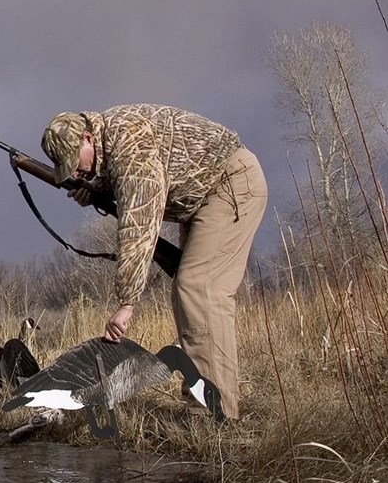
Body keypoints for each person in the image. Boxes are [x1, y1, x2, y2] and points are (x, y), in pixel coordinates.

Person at [40, 104, 267, 421]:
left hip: (228, 186)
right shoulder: (112, 139)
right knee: (191, 294)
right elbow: (128, 178)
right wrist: (96, 188)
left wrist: (127, 304)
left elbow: (138, 226)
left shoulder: (130, 144)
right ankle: (204, 402)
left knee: (199, 290)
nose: (76, 174)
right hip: (203, 198)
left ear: (87, 138)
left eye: (75, 164)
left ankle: (215, 414)